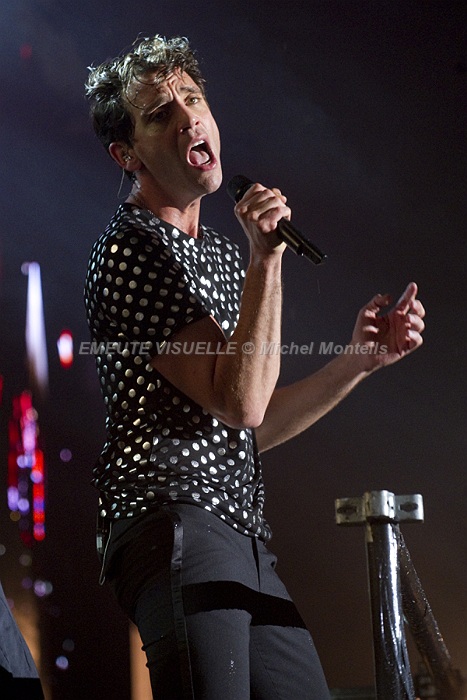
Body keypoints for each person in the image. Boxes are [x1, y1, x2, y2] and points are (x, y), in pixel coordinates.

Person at [84, 35, 425, 699]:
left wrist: (358, 361)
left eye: (193, 99)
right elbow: (238, 402)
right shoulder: (131, 247)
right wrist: (266, 261)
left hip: (238, 528)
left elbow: (248, 425)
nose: (188, 118)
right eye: (160, 114)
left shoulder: (217, 251)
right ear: (127, 155)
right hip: (173, 519)